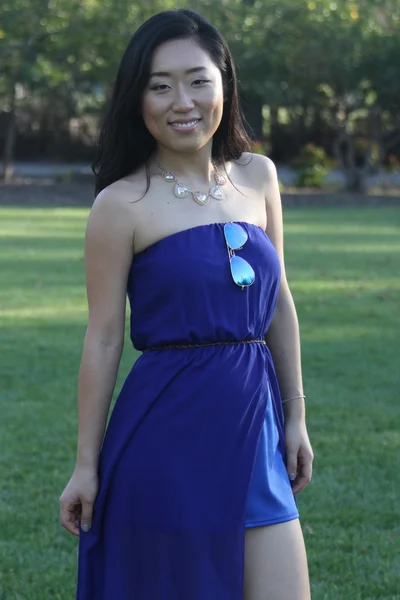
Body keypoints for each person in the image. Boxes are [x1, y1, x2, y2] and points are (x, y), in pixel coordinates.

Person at [59, 8, 314, 600]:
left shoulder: (258, 177)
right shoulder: (120, 205)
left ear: (224, 82)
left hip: (256, 428)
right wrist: (85, 465)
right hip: (164, 442)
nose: (183, 101)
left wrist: (297, 416)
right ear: (137, 97)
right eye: (160, 84)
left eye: (198, 79)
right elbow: (102, 338)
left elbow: (278, 303)